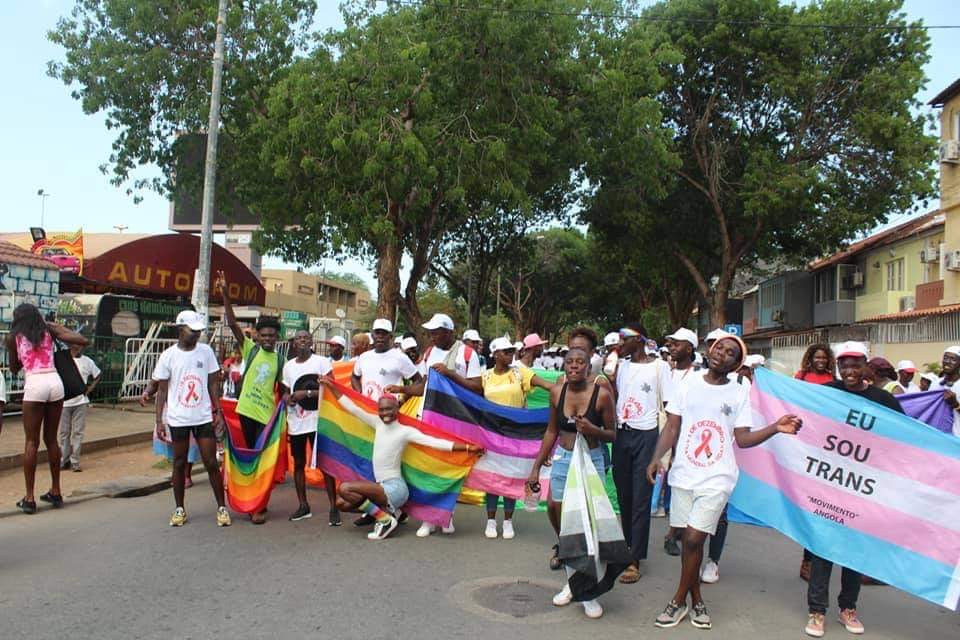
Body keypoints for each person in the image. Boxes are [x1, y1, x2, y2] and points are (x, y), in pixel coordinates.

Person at [648, 335, 802, 630]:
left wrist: (775, 428)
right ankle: (697, 600)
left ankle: (677, 601)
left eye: (730, 352)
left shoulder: (739, 391)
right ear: (709, 350)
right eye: (719, 347)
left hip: (718, 476)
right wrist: (658, 457)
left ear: (736, 363)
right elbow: (673, 425)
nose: (722, 353)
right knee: (687, 541)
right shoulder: (688, 381)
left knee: (695, 539)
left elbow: (742, 439)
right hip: (684, 474)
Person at [802, 341, 902, 637]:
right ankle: (817, 611)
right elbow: (806, 417)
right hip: (830, 483)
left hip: (863, 488)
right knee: (823, 548)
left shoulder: (882, 400)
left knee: (854, 551)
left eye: (855, 364)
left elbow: (906, 435)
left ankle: (848, 608)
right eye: (844, 365)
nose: (849, 370)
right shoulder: (828, 393)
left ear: (866, 367)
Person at [320, 379, 480, 540]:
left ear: (397, 408)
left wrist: (467, 448)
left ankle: (385, 520)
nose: (385, 413)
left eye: (389, 409)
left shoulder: (405, 431)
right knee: (342, 503)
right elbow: (352, 408)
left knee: (345, 489)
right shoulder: (377, 423)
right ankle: (386, 513)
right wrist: (332, 387)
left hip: (395, 489)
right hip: (381, 487)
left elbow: (435, 442)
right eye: (381, 410)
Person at [526, 346, 616, 619]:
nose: (574, 366)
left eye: (580, 362)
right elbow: (552, 430)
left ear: (590, 367)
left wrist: (593, 430)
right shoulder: (557, 392)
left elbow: (612, 434)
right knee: (563, 519)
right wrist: (536, 467)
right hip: (564, 459)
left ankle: (588, 592)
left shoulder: (601, 395)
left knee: (587, 525)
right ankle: (573, 581)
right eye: (570, 363)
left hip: (591, 460)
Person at [446, 336, 552, 539]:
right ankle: (491, 521)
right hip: (492, 436)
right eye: (506, 351)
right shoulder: (486, 377)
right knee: (492, 478)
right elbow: (467, 385)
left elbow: (545, 385)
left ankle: (509, 521)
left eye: (512, 351)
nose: (511, 354)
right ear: (495, 354)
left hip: (515, 435)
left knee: (511, 476)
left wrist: (562, 387)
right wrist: (449, 374)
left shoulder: (520, 373)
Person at [398, 313, 482, 536]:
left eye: (437, 332)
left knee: (450, 468)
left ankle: (446, 515)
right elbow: (423, 385)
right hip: (430, 416)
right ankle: (428, 518)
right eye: (431, 333)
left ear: (449, 332)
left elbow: (477, 387)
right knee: (428, 465)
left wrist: (451, 374)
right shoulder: (429, 352)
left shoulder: (467, 354)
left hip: (456, 417)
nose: (432, 336)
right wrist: (402, 390)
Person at [150, 310, 231, 528]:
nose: (196, 335)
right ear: (180, 329)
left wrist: (218, 412)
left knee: (211, 462)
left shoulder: (205, 352)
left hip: (203, 416)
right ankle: (179, 509)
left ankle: (222, 508)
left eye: (198, 332)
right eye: (191, 331)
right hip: (178, 419)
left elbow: (214, 384)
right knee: (178, 463)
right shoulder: (168, 356)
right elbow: (162, 390)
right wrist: (159, 421)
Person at [5, 303, 88, 514]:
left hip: (35, 384)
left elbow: (14, 368)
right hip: (55, 383)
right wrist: (53, 327)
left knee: (31, 441)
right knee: (51, 440)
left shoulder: (13, 337)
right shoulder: (48, 330)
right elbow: (81, 340)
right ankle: (56, 490)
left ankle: (30, 498)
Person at [609, 322, 674, 584]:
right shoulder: (621, 367)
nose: (620, 343)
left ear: (639, 340)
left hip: (646, 435)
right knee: (624, 495)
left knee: (640, 498)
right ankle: (625, 548)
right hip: (622, 434)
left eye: (624, 339)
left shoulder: (660, 367)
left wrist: (663, 450)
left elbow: (670, 408)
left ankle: (634, 559)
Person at [217, 270, 283, 524]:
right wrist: (224, 294)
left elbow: (284, 390)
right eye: (263, 335)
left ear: (277, 337)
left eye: (271, 335)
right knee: (246, 458)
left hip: (267, 418)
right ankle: (246, 499)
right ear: (257, 335)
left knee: (261, 461)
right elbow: (233, 323)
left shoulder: (280, 360)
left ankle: (259, 505)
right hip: (245, 413)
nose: (267, 339)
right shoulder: (250, 349)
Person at [282, 329, 337, 524]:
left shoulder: (322, 362)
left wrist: (306, 394)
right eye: (299, 339)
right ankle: (303, 505)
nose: (302, 341)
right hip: (296, 421)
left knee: (325, 463)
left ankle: (333, 507)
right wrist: (288, 398)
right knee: (298, 463)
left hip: (318, 421)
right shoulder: (288, 367)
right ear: (294, 343)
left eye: (306, 338)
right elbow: (287, 392)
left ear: (311, 341)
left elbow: (332, 387)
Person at [661, 328, 700, 555]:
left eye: (677, 344)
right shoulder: (664, 371)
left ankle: (674, 533)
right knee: (667, 480)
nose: (672, 348)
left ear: (690, 348)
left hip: (686, 436)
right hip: (662, 431)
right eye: (671, 344)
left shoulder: (697, 376)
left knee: (681, 482)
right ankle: (674, 528)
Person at [352, 319, 422, 402]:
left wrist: (402, 396)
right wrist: (359, 394)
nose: (380, 336)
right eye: (377, 333)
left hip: (388, 412)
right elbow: (355, 377)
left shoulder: (400, 358)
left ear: (391, 336)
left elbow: (419, 381)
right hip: (366, 409)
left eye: (384, 333)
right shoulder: (364, 357)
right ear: (372, 335)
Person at [58, 343, 102, 472]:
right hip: (64, 402)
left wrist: (89, 390)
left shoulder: (87, 361)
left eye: (79, 346)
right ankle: (64, 460)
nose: (77, 348)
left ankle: (75, 461)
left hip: (80, 402)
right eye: (74, 346)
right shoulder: (64, 361)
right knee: (64, 433)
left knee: (77, 432)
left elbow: (98, 375)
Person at [927, 346, 960, 437]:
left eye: (953, 359)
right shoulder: (935, 384)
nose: (947, 362)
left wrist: (956, 405)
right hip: (936, 437)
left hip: (957, 439)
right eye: (945, 358)